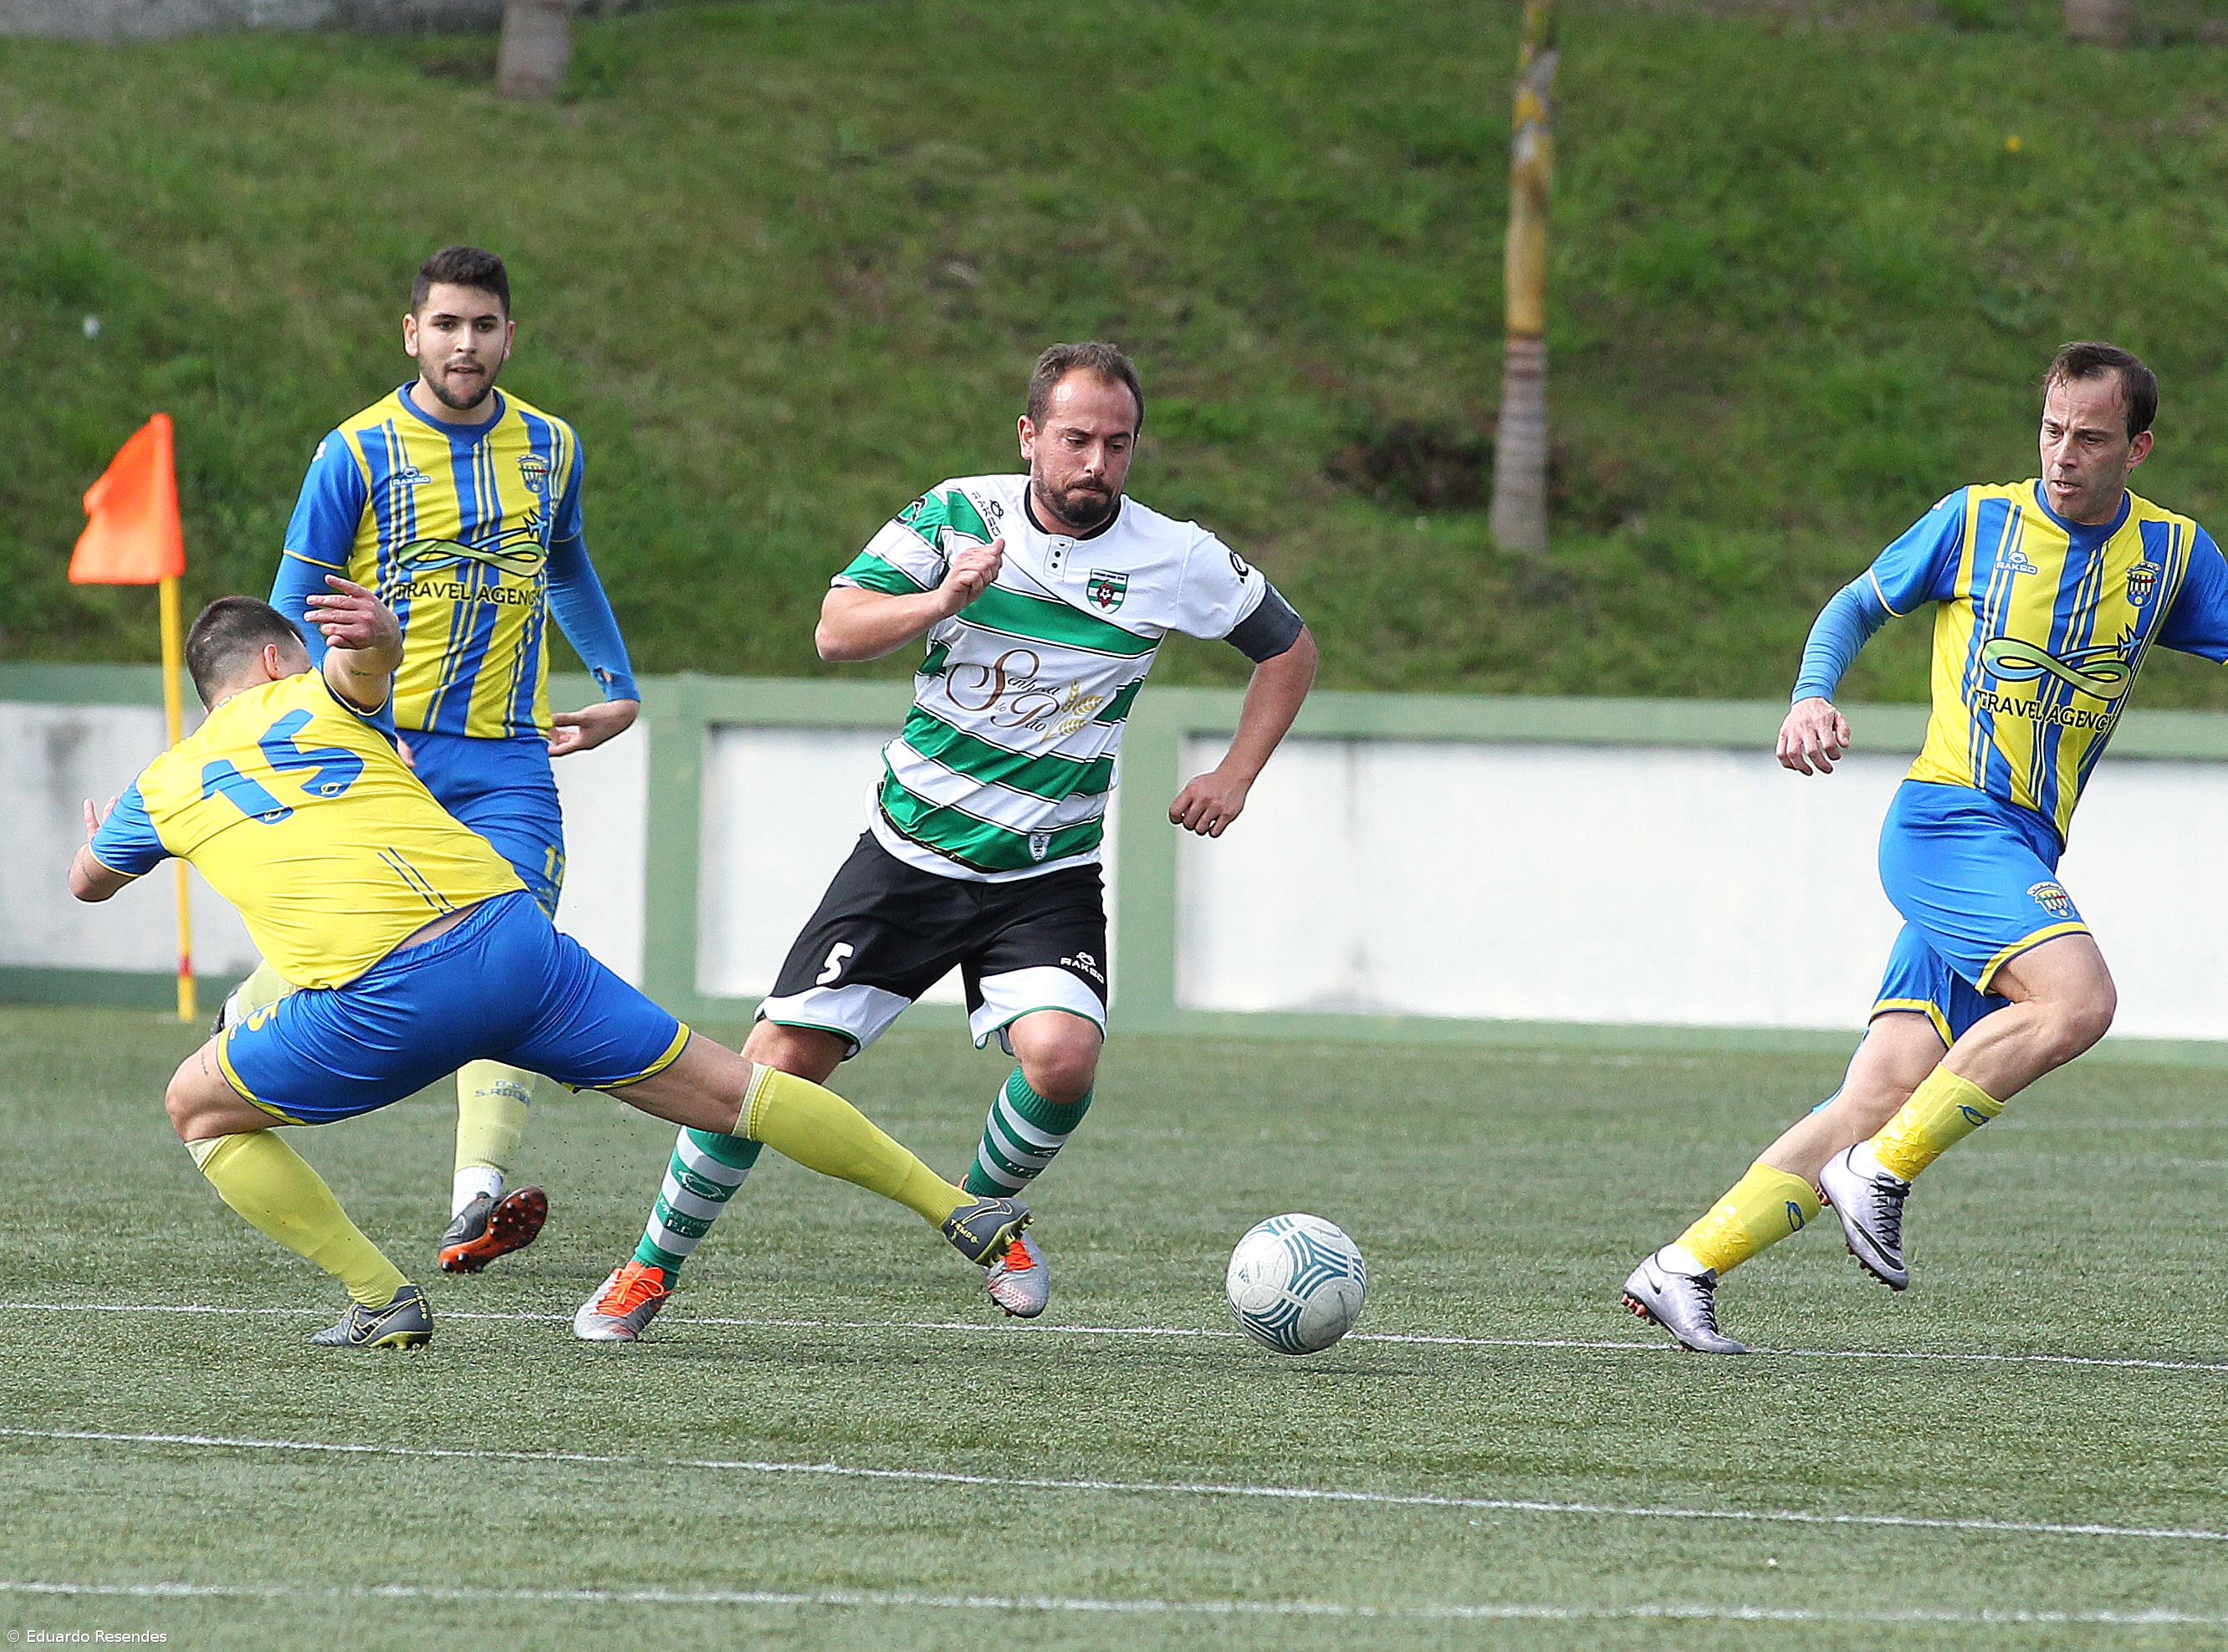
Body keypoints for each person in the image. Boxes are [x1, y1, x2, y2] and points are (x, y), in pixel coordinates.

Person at [575, 340, 1318, 1338]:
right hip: (908, 857)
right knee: (773, 1069)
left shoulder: (1174, 556)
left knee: (1063, 1058)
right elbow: (835, 632)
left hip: (1043, 875)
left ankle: (985, 1219)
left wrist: (1234, 776)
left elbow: (1289, 649)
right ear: (1028, 439)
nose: (1095, 463)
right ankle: (647, 1271)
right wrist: (942, 600)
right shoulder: (958, 514)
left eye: (1117, 443)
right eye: (1074, 440)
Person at [69, 584, 1026, 1350]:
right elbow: (364, 666)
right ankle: (963, 1211)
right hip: (512, 943)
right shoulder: (316, 693)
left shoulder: (163, 782)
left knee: (195, 1105)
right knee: (742, 1091)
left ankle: (381, 1299)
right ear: (279, 657)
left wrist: (108, 830)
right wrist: (374, 635)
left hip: (384, 1000)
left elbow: (88, 885)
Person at [1621, 341, 2228, 1353]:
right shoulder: (1975, 521)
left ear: (2137, 447)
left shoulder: (2173, 554)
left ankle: (1684, 1267)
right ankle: (1878, 1172)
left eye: (2090, 438)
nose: (2063, 454)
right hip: (1946, 823)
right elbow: (1855, 605)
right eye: (2051, 430)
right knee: (2078, 1001)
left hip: (2019, 853)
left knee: (1879, 1092)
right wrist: (1809, 696)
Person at [239, 243, 643, 1273]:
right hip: (385, 759)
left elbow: (567, 566)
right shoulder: (355, 452)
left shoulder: (552, 446)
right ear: (411, 333)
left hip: (510, 760)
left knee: (509, 953)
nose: (467, 344)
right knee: (332, 961)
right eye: (448, 325)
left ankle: (476, 1201)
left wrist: (616, 685)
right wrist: (288, 738)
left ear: (512, 336)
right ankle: (228, 1071)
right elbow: (291, 609)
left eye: (486, 326)